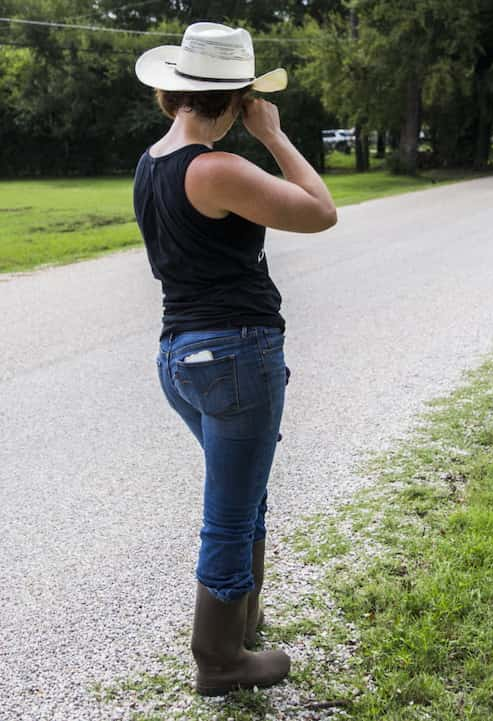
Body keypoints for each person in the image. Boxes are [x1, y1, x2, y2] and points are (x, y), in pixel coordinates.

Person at [132, 22, 337, 696]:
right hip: (235, 357)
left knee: (244, 496)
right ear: (237, 98)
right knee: (228, 511)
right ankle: (218, 658)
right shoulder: (215, 167)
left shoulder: (152, 162)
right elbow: (320, 210)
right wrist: (274, 136)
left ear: (176, 94)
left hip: (180, 358)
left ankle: (241, 626)